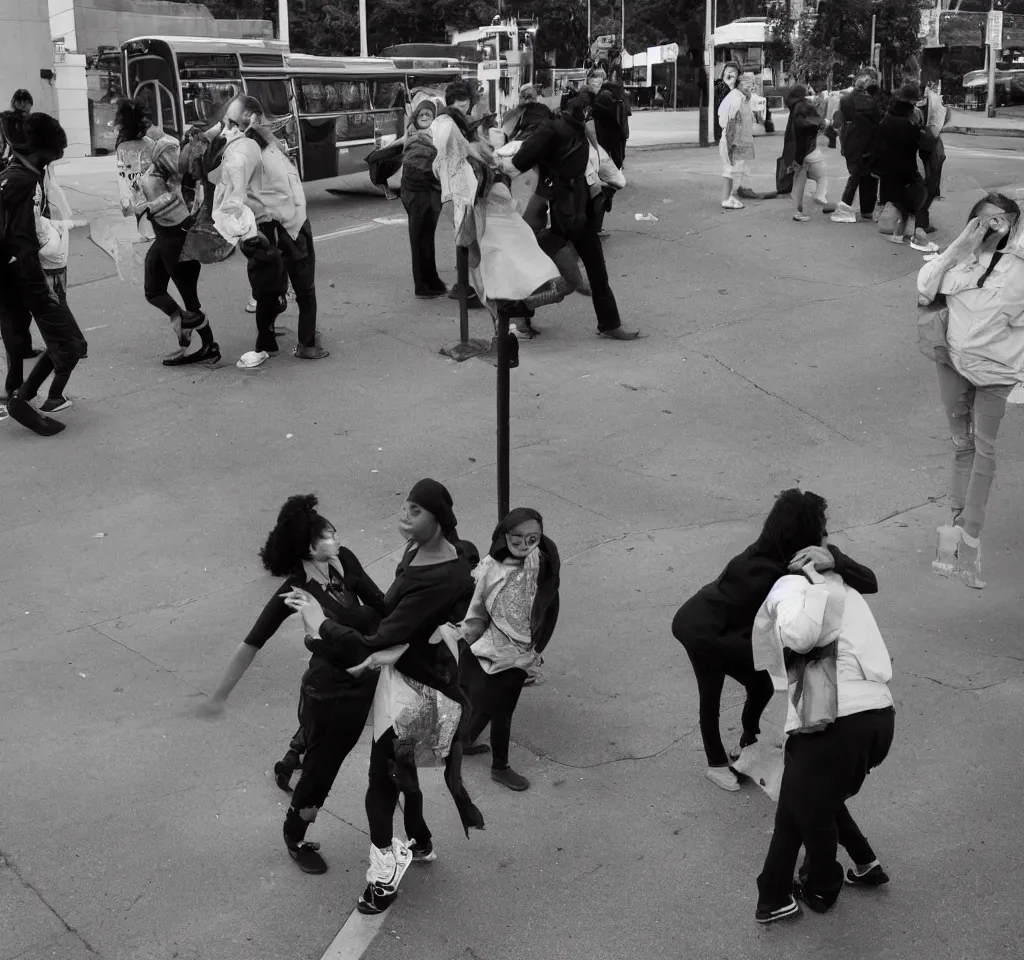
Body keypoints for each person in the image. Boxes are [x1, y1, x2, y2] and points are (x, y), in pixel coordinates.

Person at [286, 479, 483, 915]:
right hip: (403, 677)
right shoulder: (422, 552)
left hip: (420, 693)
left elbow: (381, 635)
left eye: (416, 511)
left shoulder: (442, 572)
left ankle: (383, 879)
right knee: (399, 773)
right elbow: (391, 617)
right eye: (405, 506)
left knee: (381, 784)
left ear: (438, 519)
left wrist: (321, 624)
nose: (405, 515)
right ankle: (420, 840)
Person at [671, 489, 877, 792]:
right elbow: (790, 633)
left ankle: (747, 742)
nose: (826, 533)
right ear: (801, 535)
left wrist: (836, 559)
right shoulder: (765, 570)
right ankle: (716, 764)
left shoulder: (786, 555)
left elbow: (869, 582)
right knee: (712, 694)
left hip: (727, 627)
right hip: (700, 630)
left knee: (761, 685)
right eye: (820, 529)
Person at [199, 495, 386, 813]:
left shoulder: (345, 562)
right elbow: (253, 642)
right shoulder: (296, 590)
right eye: (328, 536)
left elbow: (381, 604)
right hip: (328, 679)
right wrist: (220, 694)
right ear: (310, 549)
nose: (336, 538)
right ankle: (298, 819)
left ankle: (291, 761)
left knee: (328, 731)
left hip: (363, 666)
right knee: (326, 742)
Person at [752, 540, 893, 923]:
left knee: (803, 810)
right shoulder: (848, 586)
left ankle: (819, 888)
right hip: (879, 719)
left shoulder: (792, 587)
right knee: (810, 796)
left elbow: (799, 635)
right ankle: (862, 864)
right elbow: (870, 579)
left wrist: (806, 587)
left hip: (832, 722)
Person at [918, 194, 1024, 589]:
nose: (989, 229)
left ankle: (968, 537)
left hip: (995, 371)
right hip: (954, 364)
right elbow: (925, 289)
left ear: (1013, 225)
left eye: (999, 222)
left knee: (983, 450)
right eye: (982, 222)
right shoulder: (956, 257)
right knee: (963, 447)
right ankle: (955, 538)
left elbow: (1011, 312)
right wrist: (957, 249)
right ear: (970, 223)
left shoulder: (1017, 268)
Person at [502, 101, 641, 340]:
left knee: (577, 272)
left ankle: (608, 323)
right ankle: (515, 314)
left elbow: (516, 164)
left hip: (567, 213)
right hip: (572, 212)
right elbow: (601, 163)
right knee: (579, 274)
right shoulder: (569, 127)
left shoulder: (550, 130)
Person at [212, 95, 327, 364]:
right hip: (276, 228)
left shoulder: (261, 144)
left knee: (285, 290)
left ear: (251, 118)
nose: (227, 128)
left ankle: (289, 342)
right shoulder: (247, 148)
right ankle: (290, 343)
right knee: (278, 291)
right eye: (225, 122)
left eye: (232, 122)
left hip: (289, 226)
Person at [459, 508, 560, 791]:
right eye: (517, 537)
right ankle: (499, 767)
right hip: (492, 650)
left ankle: (467, 741)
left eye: (533, 538)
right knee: (499, 708)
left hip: (522, 652)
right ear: (504, 535)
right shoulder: (491, 568)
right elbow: (476, 611)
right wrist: (464, 642)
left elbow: (550, 607)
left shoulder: (544, 564)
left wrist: (538, 647)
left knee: (494, 705)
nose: (525, 544)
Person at [0, 112, 88, 436]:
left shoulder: (14, 174)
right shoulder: (24, 181)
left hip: (8, 278)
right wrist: (43, 292)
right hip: (23, 277)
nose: (57, 158)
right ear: (42, 152)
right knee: (72, 343)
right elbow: (22, 242)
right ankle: (21, 400)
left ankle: (20, 396)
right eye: (56, 153)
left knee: (35, 339)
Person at [115, 100, 220, 366]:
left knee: (190, 302)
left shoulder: (161, 146)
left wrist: (147, 205)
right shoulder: (137, 150)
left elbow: (182, 179)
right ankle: (183, 325)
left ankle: (208, 345)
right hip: (164, 235)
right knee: (153, 291)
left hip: (177, 233)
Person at [872, 83, 936, 250]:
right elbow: (917, 143)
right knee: (917, 198)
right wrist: (922, 130)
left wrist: (877, 168)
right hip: (906, 167)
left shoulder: (888, 116)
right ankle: (916, 235)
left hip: (890, 168)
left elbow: (879, 144)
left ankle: (899, 234)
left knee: (902, 203)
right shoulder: (911, 118)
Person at [400, 96, 446, 299]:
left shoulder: (436, 135)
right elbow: (418, 170)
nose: (425, 116)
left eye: (429, 113)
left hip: (430, 194)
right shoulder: (415, 138)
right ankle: (423, 286)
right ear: (416, 117)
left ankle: (432, 280)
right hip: (417, 195)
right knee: (419, 241)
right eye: (422, 113)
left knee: (427, 239)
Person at [832, 69, 882, 224]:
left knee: (855, 174)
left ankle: (845, 208)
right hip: (868, 141)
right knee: (868, 175)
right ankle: (864, 210)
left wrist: (842, 143)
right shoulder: (872, 102)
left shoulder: (845, 99)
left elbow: (840, 122)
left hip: (851, 140)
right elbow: (876, 124)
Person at [781, 85, 834, 222]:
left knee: (799, 183)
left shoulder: (793, 107)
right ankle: (820, 195)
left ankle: (798, 212)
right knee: (822, 176)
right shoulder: (805, 106)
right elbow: (813, 124)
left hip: (796, 152)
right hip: (809, 150)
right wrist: (823, 123)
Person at [718, 71, 757, 210]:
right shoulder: (735, 99)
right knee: (729, 170)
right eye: (746, 84)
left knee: (736, 170)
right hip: (732, 140)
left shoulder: (742, 97)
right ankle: (725, 199)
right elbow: (728, 122)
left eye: (751, 84)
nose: (749, 87)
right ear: (738, 84)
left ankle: (730, 196)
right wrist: (732, 143)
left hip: (739, 140)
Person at [916, 81, 947, 235]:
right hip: (927, 158)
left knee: (925, 190)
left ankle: (919, 223)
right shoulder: (919, 115)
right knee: (926, 190)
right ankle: (921, 224)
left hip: (928, 157)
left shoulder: (917, 113)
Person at [714, 62, 741, 143]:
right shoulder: (719, 87)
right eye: (727, 71)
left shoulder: (740, 87)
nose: (730, 73)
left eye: (733, 71)